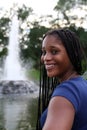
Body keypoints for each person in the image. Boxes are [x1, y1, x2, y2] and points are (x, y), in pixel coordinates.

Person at [36, 28, 87, 130]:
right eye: (44, 52)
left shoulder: (67, 91)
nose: (46, 57)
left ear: (72, 54)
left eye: (54, 51)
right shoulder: (81, 84)